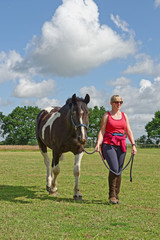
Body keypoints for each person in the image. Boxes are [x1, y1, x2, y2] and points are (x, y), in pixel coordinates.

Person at [95, 95, 137, 204]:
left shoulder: (124, 116)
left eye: (121, 102)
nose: (119, 104)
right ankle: (112, 195)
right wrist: (98, 144)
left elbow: (129, 131)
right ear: (111, 103)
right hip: (109, 144)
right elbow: (102, 131)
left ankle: (117, 196)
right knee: (114, 168)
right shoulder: (106, 116)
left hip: (122, 144)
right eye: (116, 102)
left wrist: (133, 144)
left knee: (119, 170)